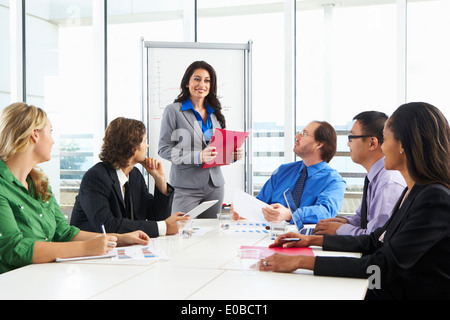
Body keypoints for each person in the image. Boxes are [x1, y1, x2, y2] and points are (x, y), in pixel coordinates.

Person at [260, 102, 450, 300]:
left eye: (385, 139)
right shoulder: (414, 192)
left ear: (402, 144)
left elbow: (381, 265)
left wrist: (301, 262)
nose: (382, 147)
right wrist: (310, 240)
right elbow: (375, 240)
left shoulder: (434, 198)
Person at [0, 103, 149, 274]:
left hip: (43, 277)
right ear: (35, 135)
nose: (53, 140)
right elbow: (13, 249)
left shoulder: (38, 184)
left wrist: (119, 239)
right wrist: (85, 248)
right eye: (50, 131)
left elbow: (64, 232)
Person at [71, 117, 188, 238]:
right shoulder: (95, 177)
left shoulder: (135, 175)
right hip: (92, 251)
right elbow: (107, 226)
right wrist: (164, 227)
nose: (147, 146)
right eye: (144, 141)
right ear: (134, 148)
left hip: (125, 249)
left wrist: (160, 180)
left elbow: (157, 217)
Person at [158, 61, 243, 218]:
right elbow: (164, 149)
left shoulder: (214, 112)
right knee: (181, 233)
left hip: (215, 186)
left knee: (210, 235)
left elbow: (217, 150)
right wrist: (198, 156)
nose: (202, 84)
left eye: (207, 80)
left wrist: (233, 155)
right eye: (197, 79)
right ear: (187, 83)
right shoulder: (173, 110)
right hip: (185, 187)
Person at [233, 121, 346, 225]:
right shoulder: (283, 171)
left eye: (304, 134)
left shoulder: (334, 181)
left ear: (319, 144)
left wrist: (290, 214)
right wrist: (243, 210)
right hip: (268, 235)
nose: (297, 136)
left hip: (305, 240)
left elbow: (325, 212)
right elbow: (260, 203)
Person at [314, 111, 406, 235]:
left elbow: (375, 237)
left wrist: (338, 229)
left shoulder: (388, 183)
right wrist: (343, 222)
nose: (348, 143)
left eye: (351, 138)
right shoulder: (375, 176)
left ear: (372, 143)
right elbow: (362, 218)